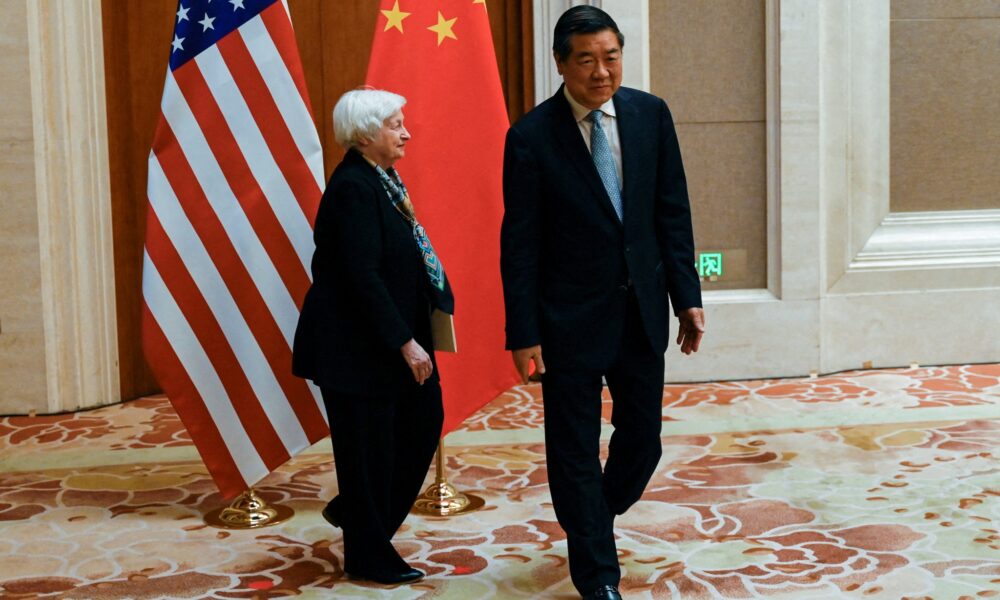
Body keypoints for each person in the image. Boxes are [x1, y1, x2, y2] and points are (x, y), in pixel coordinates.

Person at [500, 7, 705, 600]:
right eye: (586, 60)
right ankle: (598, 573)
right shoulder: (531, 137)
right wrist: (523, 330)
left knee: (642, 441)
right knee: (573, 448)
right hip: (567, 320)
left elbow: (673, 213)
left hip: (641, 310)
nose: (601, 72)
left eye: (610, 57)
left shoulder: (650, 115)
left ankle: (593, 519)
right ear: (561, 64)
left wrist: (687, 297)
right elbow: (520, 244)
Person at [292, 88, 453, 585]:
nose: (405, 132)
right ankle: (367, 552)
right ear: (365, 134)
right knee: (368, 452)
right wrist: (405, 341)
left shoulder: (382, 179)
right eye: (394, 125)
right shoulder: (352, 189)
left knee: (422, 421)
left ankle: (360, 516)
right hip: (358, 351)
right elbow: (361, 276)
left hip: (387, 343)